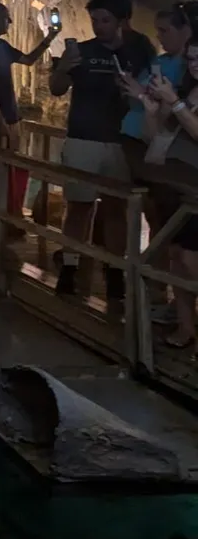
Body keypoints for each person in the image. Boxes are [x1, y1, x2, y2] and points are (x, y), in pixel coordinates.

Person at [49, 0, 154, 300]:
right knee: (79, 208)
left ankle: (114, 273)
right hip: (84, 138)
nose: (98, 26)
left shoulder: (139, 52)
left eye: (105, 20)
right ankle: (69, 267)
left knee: (115, 210)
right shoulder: (81, 52)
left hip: (122, 142)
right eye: (94, 20)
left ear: (123, 22)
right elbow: (56, 90)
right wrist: (63, 67)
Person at [120, 24, 198, 349]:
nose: (195, 65)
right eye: (192, 59)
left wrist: (175, 103)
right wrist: (152, 110)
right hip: (175, 184)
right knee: (177, 255)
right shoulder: (188, 92)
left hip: (195, 189)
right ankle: (185, 325)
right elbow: (157, 137)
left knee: (192, 260)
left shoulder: (183, 97)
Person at [0, 1, 55, 243]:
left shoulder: (2, 47)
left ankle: (7, 215)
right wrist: (1, 122)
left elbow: (27, 60)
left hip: (11, 118)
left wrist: (49, 39)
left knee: (9, 169)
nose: (10, 22)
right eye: (6, 17)